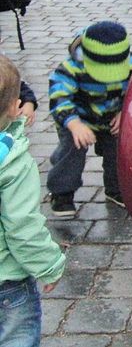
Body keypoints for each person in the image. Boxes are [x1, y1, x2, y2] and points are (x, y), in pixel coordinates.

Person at [0, 55, 66, 347]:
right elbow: (22, 226)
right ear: (15, 108)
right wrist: (49, 265)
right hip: (7, 284)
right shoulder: (12, 162)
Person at [46, 21, 132, 217]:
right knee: (71, 150)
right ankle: (61, 193)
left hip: (112, 118)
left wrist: (125, 111)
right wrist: (74, 123)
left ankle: (116, 190)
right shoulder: (71, 68)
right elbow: (59, 97)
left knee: (119, 150)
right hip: (77, 119)